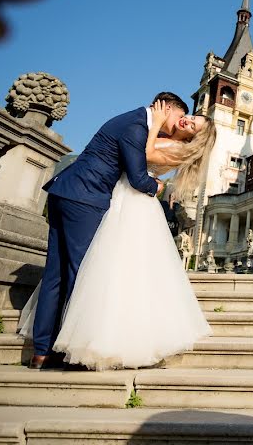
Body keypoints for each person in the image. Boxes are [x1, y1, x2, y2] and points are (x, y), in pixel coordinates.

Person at [22, 95, 216, 370]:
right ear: (166, 108)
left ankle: (44, 351)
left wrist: (157, 132)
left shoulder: (143, 127)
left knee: (61, 274)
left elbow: (139, 169)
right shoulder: (138, 126)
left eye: (192, 124)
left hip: (71, 193)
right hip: (86, 198)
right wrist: (157, 187)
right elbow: (140, 178)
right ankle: (77, 349)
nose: (182, 122)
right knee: (82, 274)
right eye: (185, 117)